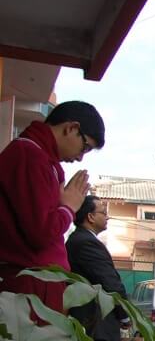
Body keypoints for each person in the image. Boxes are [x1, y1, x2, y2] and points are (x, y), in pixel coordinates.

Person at [0, 101, 104, 312]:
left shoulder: (44, 160)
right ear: (71, 128)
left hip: (39, 284)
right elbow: (41, 233)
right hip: (29, 287)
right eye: (84, 147)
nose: (80, 157)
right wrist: (68, 208)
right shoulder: (29, 155)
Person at [65, 195, 130, 341]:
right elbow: (109, 282)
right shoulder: (86, 243)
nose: (108, 217)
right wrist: (124, 314)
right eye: (103, 213)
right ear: (91, 217)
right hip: (96, 327)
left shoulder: (79, 239)